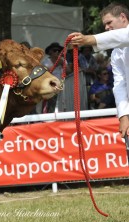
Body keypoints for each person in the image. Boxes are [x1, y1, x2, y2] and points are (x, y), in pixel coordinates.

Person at [69, 2, 129, 138]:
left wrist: (89, 39)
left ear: (123, 17)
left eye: (109, 22)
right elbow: (119, 85)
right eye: (105, 25)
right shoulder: (115, 53)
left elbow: (125, 36)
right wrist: (123, 115)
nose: (107, 28)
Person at [40, 42, 71, 113]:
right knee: (48, 105)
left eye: (59, 51)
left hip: (61, 87)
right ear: (50, 52)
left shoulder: (63, 60)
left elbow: (69, 71)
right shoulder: (45, 62)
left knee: (60, 105)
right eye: (55, 50)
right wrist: (57, 64)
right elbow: (45, 74)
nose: (57, 52)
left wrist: (63, 64)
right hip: (49, 86)